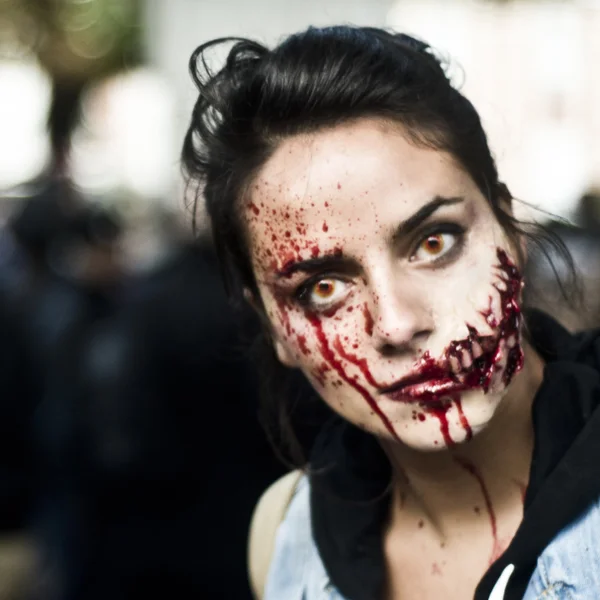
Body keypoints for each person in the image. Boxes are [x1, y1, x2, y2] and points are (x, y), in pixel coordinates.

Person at [181, 26, 600, 600]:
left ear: (508, 228)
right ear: (276, 326)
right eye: (323, 288)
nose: (398, 323)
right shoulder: (284, 535)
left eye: (434, 242)